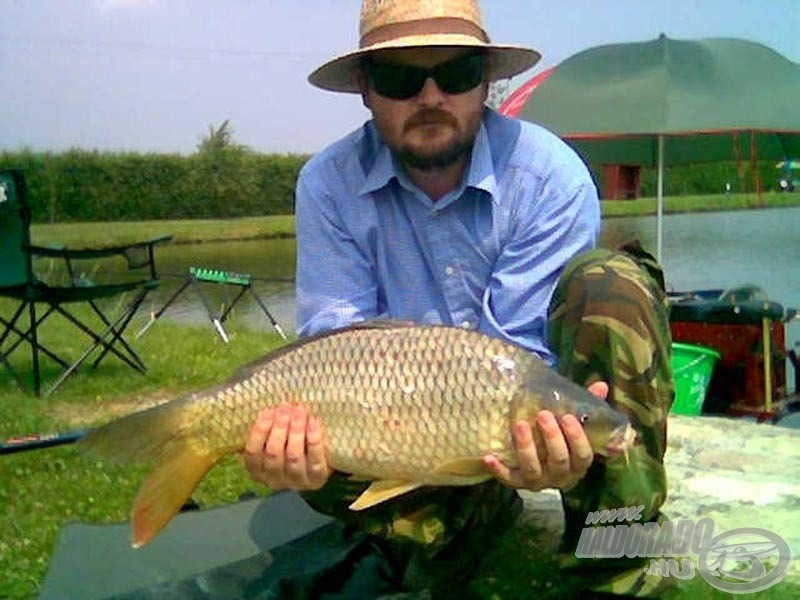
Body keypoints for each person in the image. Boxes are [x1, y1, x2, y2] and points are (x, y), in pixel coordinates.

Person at [244, 1, 674, 597]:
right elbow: (331, 344)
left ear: (486, 83)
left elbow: (519, 357)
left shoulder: (549, 174)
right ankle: (457, 526)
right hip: (400, 419)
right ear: (366, 90)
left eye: (456, 75)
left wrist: (543, 442)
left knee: (612, 285)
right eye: (399, 78)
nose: (430, 97)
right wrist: (291, 442)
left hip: (511, 400)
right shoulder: (328, 183)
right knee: (315, 444)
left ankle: (614, 558)